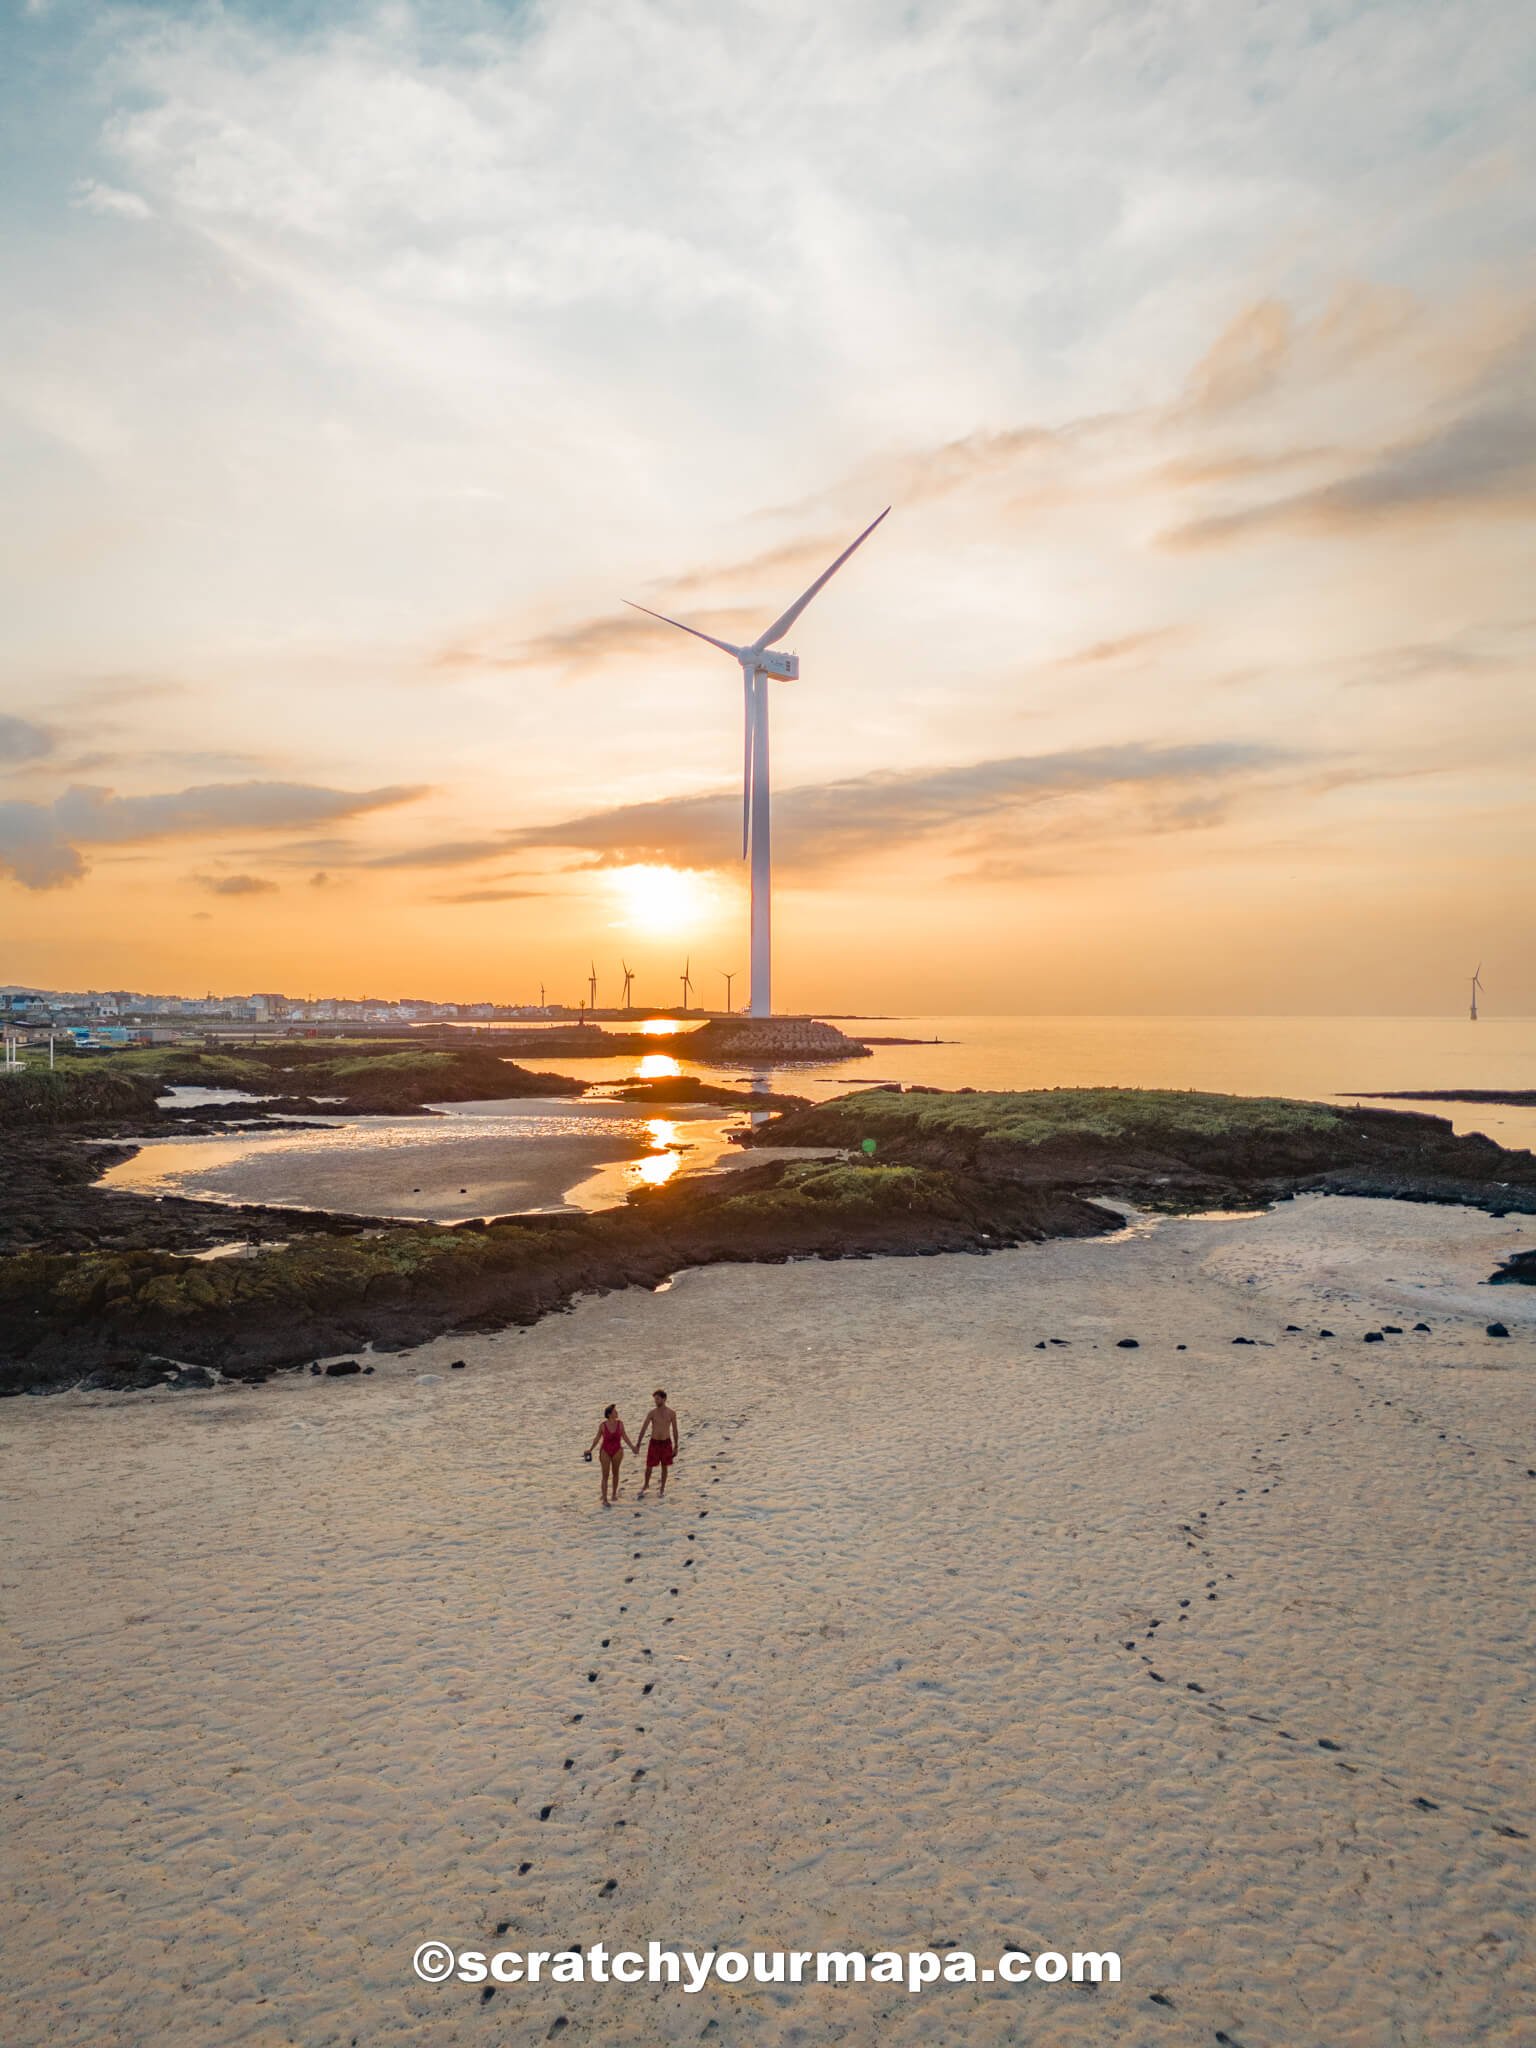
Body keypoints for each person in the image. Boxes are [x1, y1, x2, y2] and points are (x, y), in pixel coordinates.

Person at [585, 1403, 636, 1505]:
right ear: (609, 1414)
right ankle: (604, 1499)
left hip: (617, 1450)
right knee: (605, 1475)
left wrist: (632, 1447)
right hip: (605, 1450)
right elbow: (597, 1438)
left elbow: (625, 1436)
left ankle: (613, 1494)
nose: (617, 1413)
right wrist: (590, 1449)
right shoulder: (603, 1426)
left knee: (615, 1473)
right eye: (614, 1411)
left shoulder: (620, 1424)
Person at [636, 1388, 680, 1499]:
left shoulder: (671, 1413)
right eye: (655, 1399)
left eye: (657, 1399)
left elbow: (675, 1430)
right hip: (654, 1442)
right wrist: (638, 1443)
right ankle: (646, 1485)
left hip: (666, 1443)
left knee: (664, 1467)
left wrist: (676, 1446)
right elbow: (644, 1428)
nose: (656, 1401)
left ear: (664, 1399)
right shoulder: (652, 1413)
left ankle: (662, 1488)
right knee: (649, 1466)